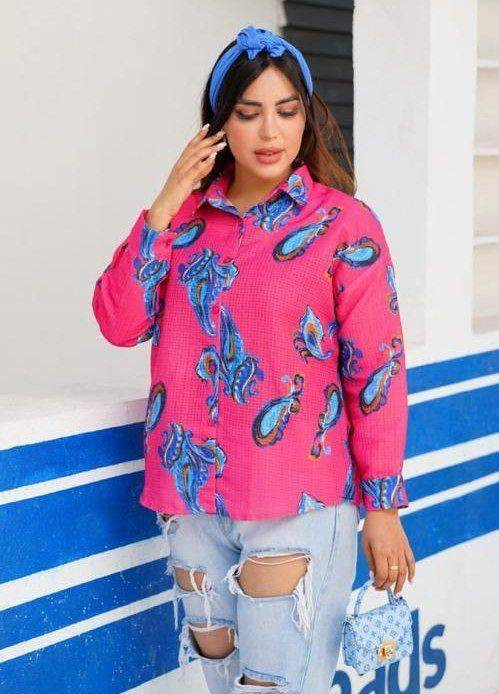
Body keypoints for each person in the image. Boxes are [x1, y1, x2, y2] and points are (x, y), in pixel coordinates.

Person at [92, 25, 415, 694]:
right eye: (248, 113)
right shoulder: (181, 225)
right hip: (192, 507)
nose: (270, 131)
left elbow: (376, 370)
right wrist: (163, 205)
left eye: (286, 111)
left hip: (297, 501)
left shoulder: (344, 224)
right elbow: (120, 323)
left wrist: (382, 505)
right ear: (219, 125)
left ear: (306, 118)